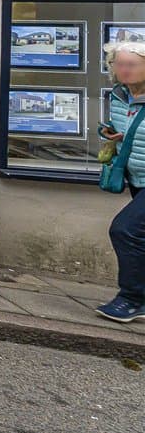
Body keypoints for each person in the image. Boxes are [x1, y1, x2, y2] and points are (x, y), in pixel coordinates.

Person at [96, 40, 145, 323]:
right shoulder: (119, 95)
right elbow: (127, 128)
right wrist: (111, 134)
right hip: (138, 177)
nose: (125, 70)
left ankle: (132, 299)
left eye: (132, 65)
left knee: (125, 230)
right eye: (120, 64)